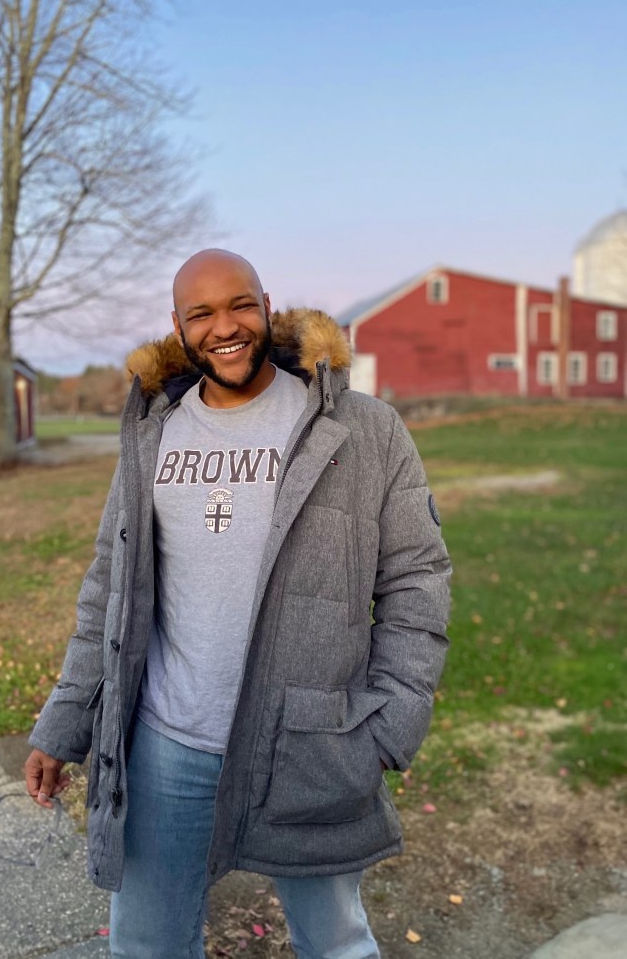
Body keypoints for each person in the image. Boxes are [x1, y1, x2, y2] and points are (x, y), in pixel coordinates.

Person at [25, 249, 451, 958]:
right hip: (167, 743)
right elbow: (109, 584)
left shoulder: (361, 429)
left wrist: (391, 723)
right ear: (178, 326)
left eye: (239, 305)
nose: (225, 327)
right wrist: (63, 722)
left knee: (335, 943)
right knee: (148, 945)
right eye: (202, 313)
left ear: (266, 306)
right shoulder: (153, 432)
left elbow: (416, 578)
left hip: (312, 740)